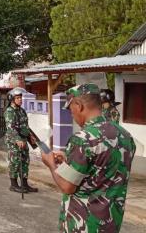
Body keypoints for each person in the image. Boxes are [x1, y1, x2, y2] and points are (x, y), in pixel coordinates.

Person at [41, 84, 135, 233]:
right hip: (111, 223)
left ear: (78, 105)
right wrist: (69, 159)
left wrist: (51, 164)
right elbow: (102, 168)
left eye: (71, 109)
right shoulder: (125, 135)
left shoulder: (83, 138)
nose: (72, 114)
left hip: (83, 224)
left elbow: (67, 186)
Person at [4, 87, 38, 194]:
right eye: (18, 98)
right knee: (15, 162)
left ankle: (25, 184)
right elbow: (11, 127)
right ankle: (13, 185)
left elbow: (25, 126)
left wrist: (30, 136)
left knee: (25, 161)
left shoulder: (22, 111)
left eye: (20, 98)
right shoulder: (10, 111)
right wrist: (18, 139)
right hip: (14, 141)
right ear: (12, 99)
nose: (20, 100)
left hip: (23, 140)